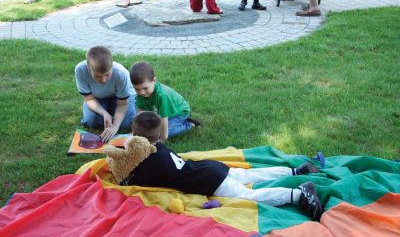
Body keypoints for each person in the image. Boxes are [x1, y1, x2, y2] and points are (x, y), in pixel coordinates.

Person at [122, 112, 324, 221]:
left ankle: (299, 195)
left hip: (209, 181)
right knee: (248, 175)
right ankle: (295, 170)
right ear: (158, 136)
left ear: (134, 135)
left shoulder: (150, 160)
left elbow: (131, 181)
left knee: (247, 195)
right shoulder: (162, 148)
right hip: (210, 168)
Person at [75, 46, 137, 142]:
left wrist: (115, 126)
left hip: (121, 98)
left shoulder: (121, 73)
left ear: (111, 65)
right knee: (91, 122)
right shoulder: (80, 70)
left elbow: (123, 104)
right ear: (88, 67)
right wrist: (104, 113)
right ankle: (109, 112)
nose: (103, 80)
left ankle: (114, 113)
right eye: (97, 76)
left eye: (107, 75)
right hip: (96, 97)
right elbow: (88, 98)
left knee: (126, 124)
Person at [130, 61, 201, 141]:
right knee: (150, 130)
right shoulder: (141, 94)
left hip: (179, 113)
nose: (141, 92)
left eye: (145, 88)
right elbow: (140, 113)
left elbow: (163, 120)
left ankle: (188, 124)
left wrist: (162, 140)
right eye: (137, 89)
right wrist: (137, 130)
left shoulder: (162, 96)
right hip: (160, 113)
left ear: (154, 80)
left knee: (161, 132)